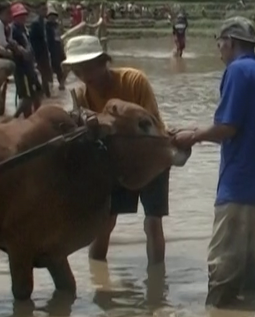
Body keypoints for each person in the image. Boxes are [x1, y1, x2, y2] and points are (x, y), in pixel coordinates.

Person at [172, 17, 255, 309]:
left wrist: (192, 137)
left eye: (219, 43)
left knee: (223, 259)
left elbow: (228, 128)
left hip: (240, 181)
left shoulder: (237, 71)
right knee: (246, 254)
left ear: (230, 42)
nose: (218, 49)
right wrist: (197, 129)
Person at [64, 35, 173, 266]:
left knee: (152, 222)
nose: (85, 76)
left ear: (104, 62)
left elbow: (150, 123)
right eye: (78, 70)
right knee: (104, 222)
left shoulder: (134, 81)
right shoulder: (82, 96)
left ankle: (157, 283)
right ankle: (97, 276)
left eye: (89, 68)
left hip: (150, 156)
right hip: (116, 161)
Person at [8, 2, 42, 117]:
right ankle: (16, 118)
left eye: (23, 15)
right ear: (14, 17)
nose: (23, 18)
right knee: (27, 97)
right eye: (19, 16)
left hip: (29, 66)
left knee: (37, 92)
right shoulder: (13, 29)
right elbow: (11, 43)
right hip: (21, 67)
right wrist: (21, 50)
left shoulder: (23, 29)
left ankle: (36, 116)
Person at [28, 3, 53, 98]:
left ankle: (44, 91)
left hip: (44, 50)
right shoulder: (36, 23)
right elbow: (33, 39)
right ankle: (44, 91)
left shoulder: (44, 22)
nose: (45, 12)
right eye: (43, 10)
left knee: (45, 71)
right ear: (38, 10)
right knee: (43, 71)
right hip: (39, 51)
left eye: (45, 10)